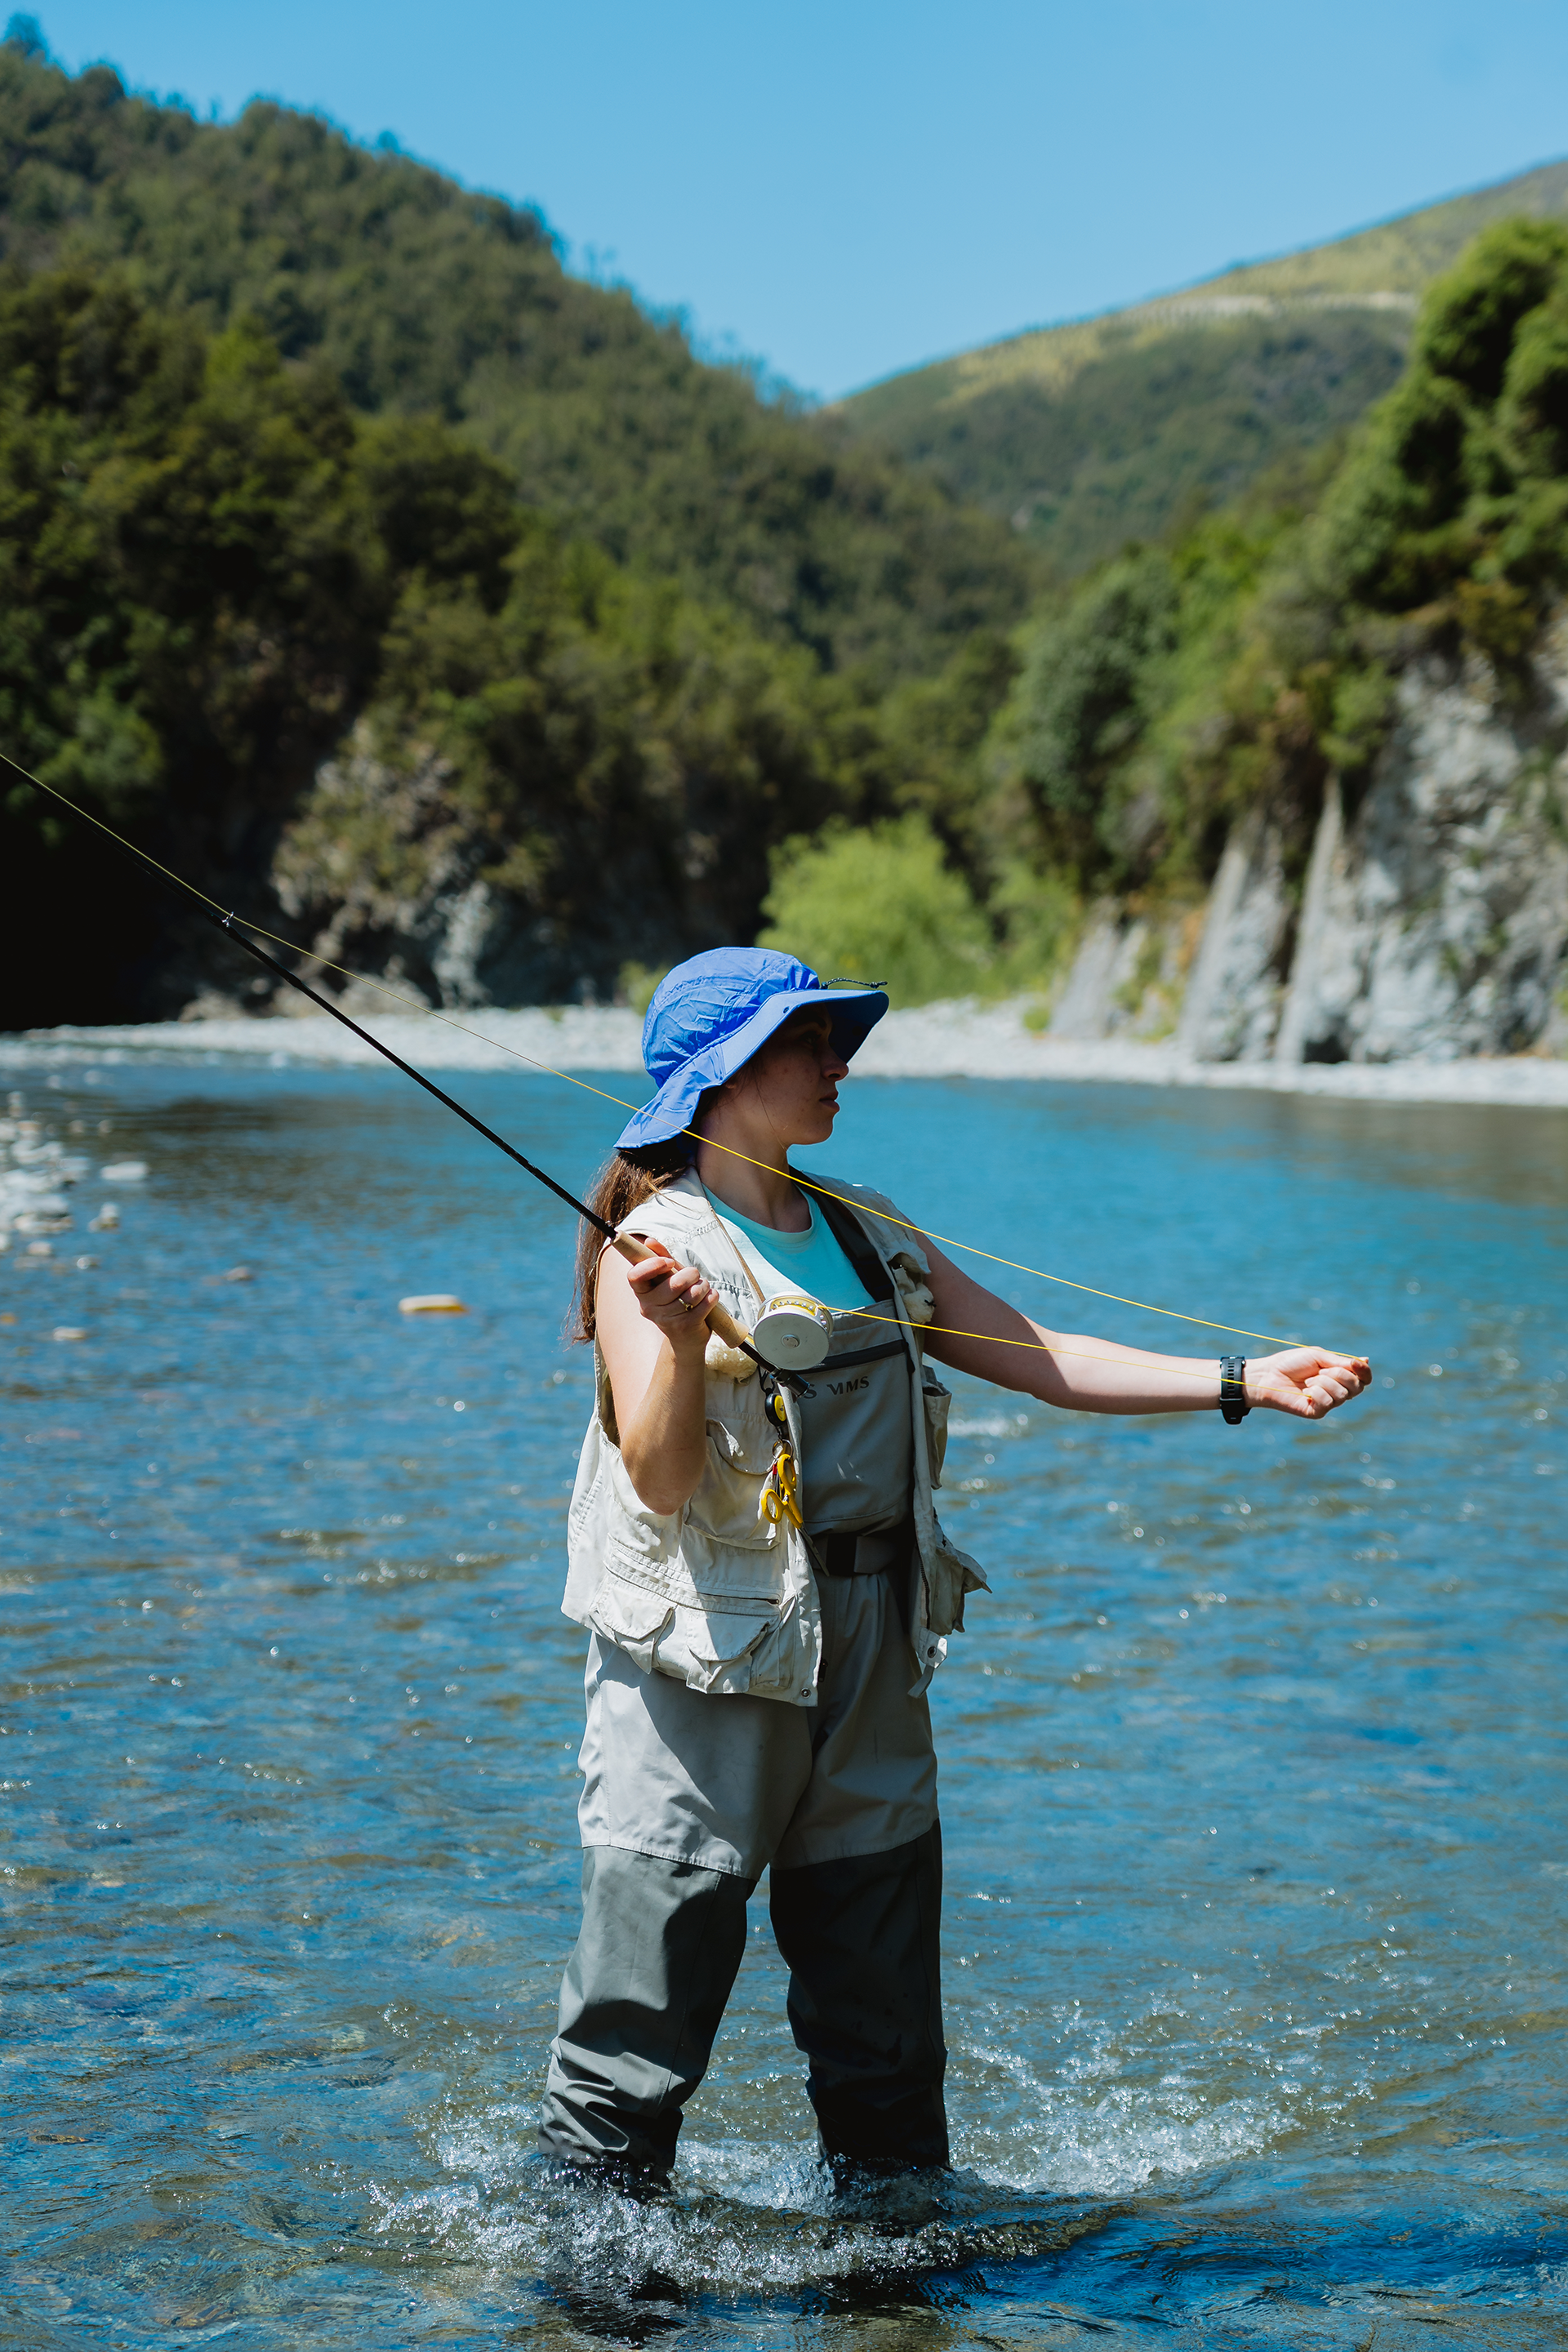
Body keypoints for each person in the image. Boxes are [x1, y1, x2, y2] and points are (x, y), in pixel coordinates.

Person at [539, 947, 1370, 2183]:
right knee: (640, 2028)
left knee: (884, 2041)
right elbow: (658, 1483)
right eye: (810, 1042)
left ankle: (895, 2279)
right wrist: (663, 1331)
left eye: (838, 1039)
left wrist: (1243, 1380)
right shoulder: (645, 1246)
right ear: (720, 1075)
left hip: (873, 1647)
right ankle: (592, 2284)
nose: (840, 1064)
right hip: (705, 1669)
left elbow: (1037, 1353)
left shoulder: (869, 1236)